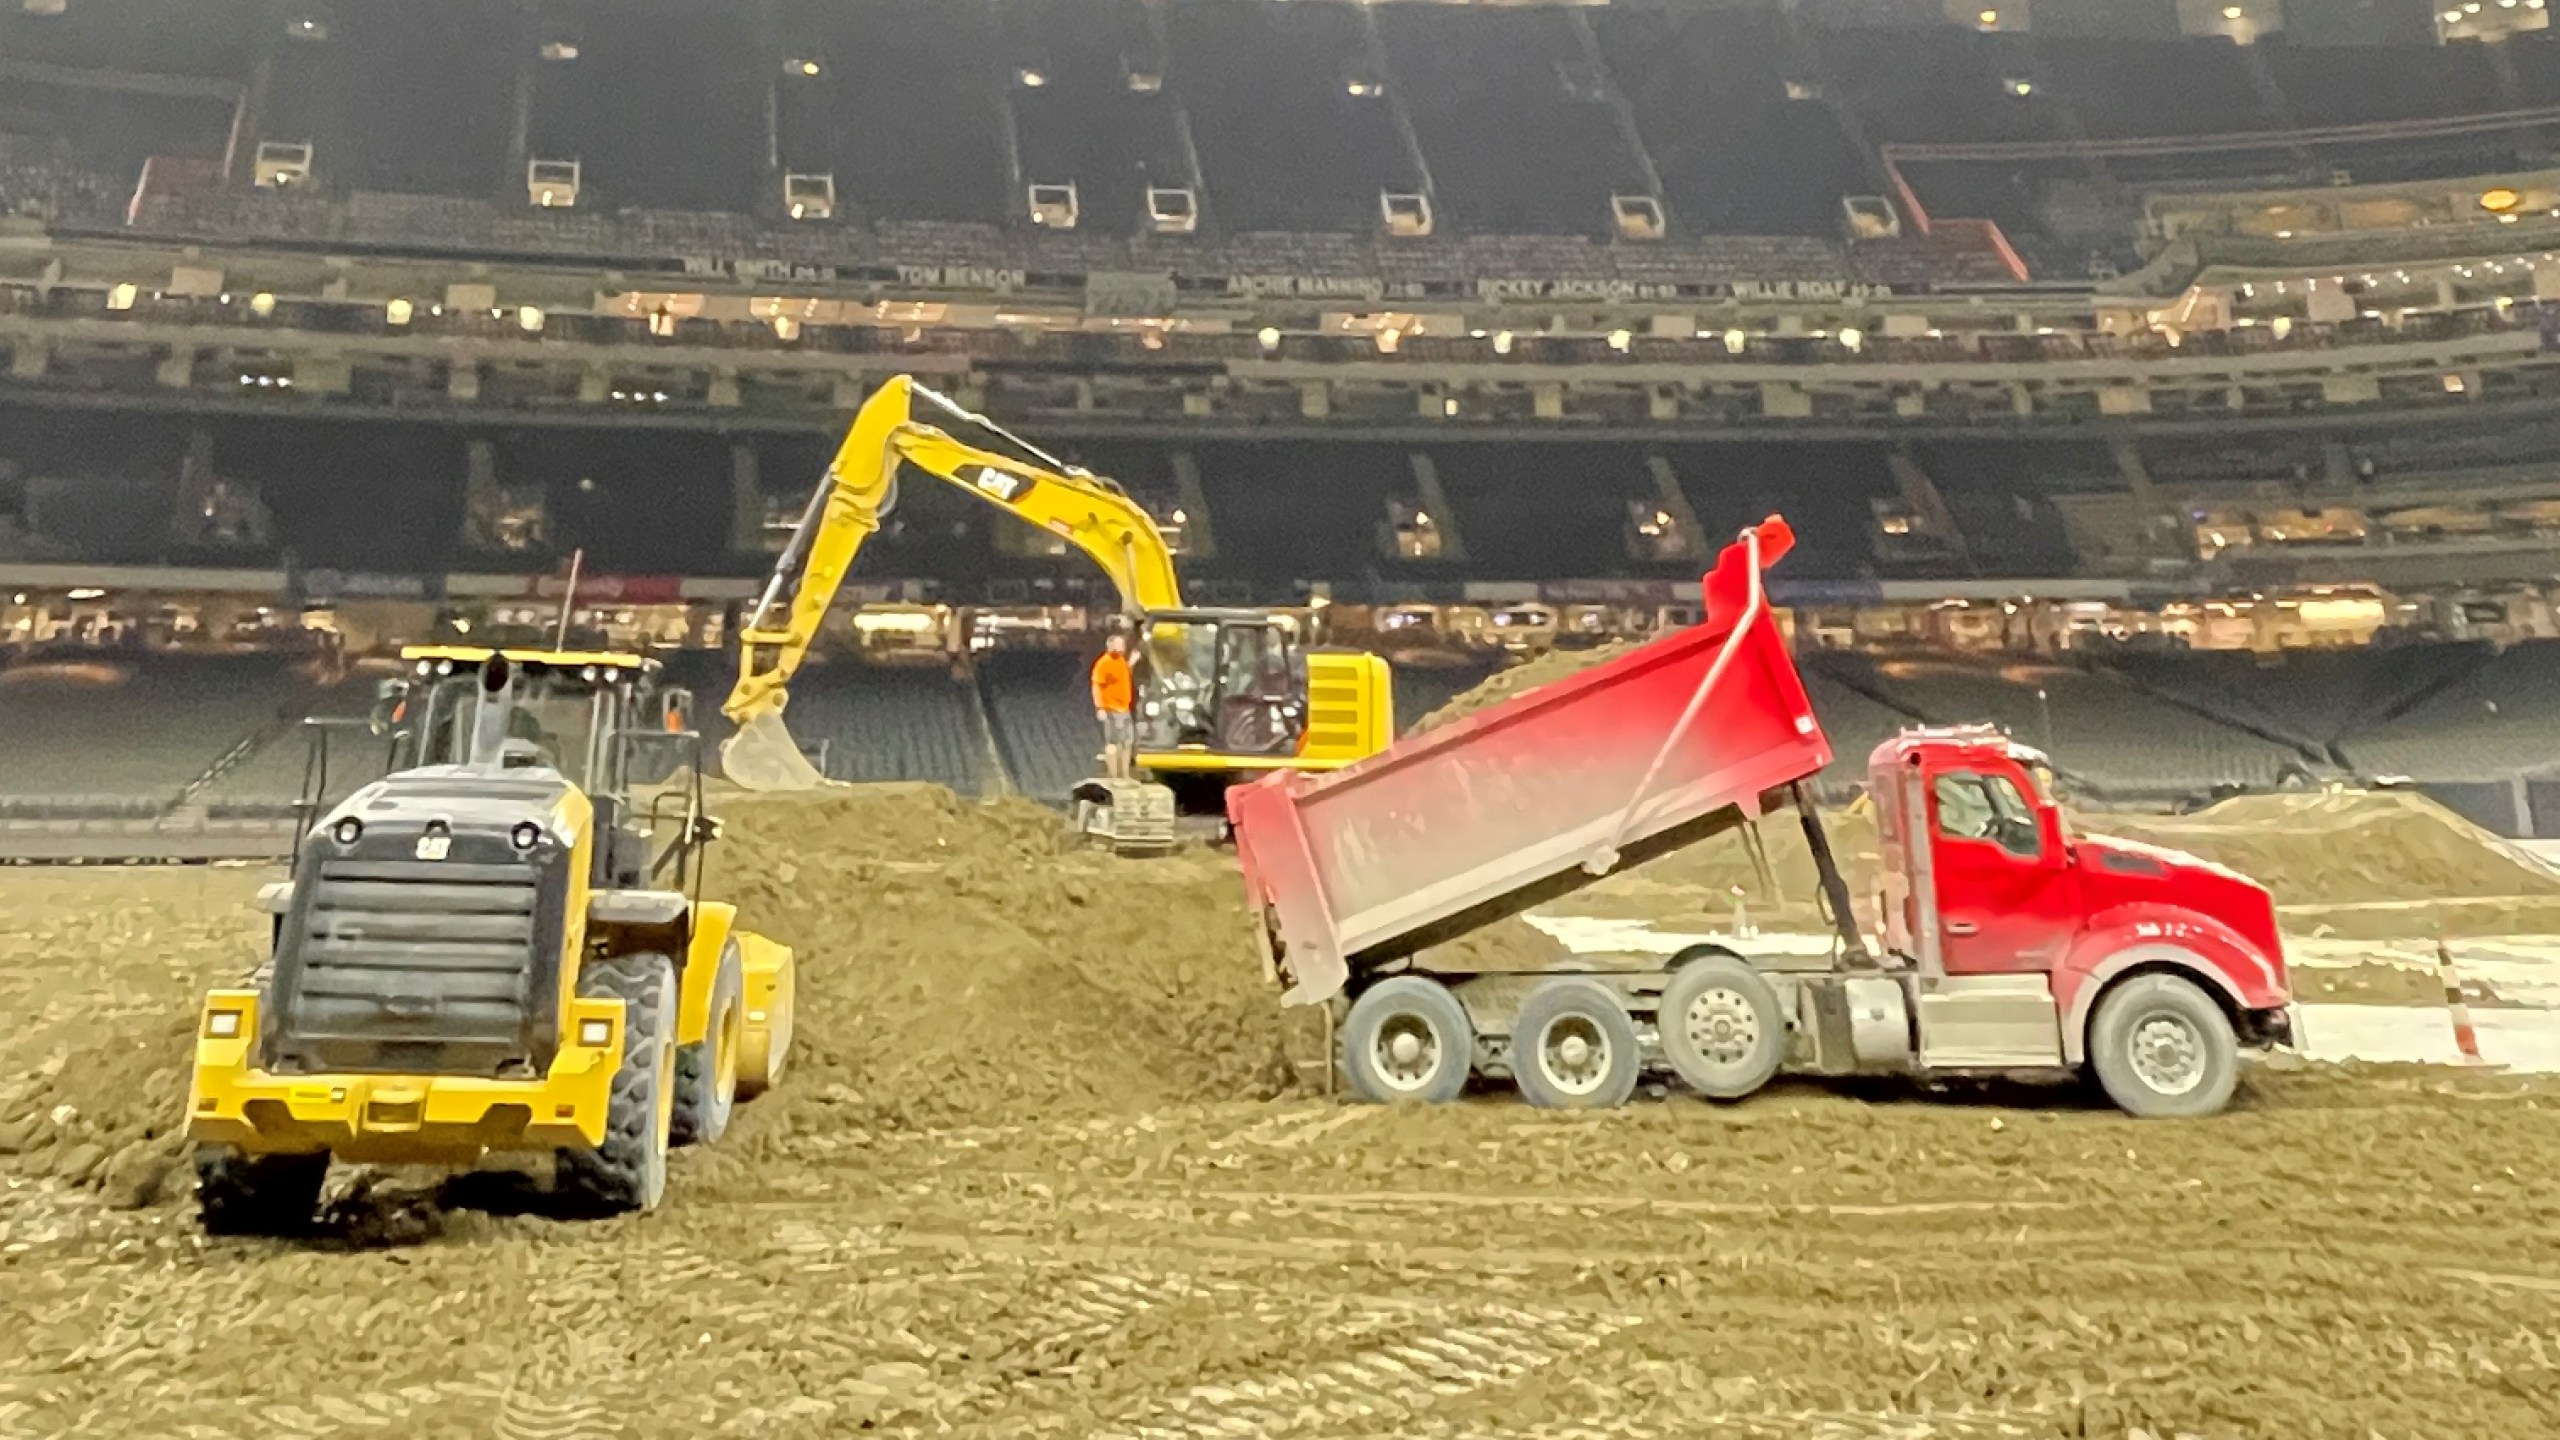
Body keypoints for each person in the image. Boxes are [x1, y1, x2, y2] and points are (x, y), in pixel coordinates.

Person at [1090, 630, 1135, 780]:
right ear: (1110, 646)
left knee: (1127, 742)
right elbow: (1096, 686)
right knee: (1114, 744)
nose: (1122, 646)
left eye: (1122, 644)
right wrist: (1100, 708)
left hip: (1124, 708)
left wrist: (1132, 663)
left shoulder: (1121, 661)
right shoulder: (1104, 663)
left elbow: (1122, 675)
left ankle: (1125, 774)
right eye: (1119, 644)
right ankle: (1114, 776)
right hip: (1111, 709)